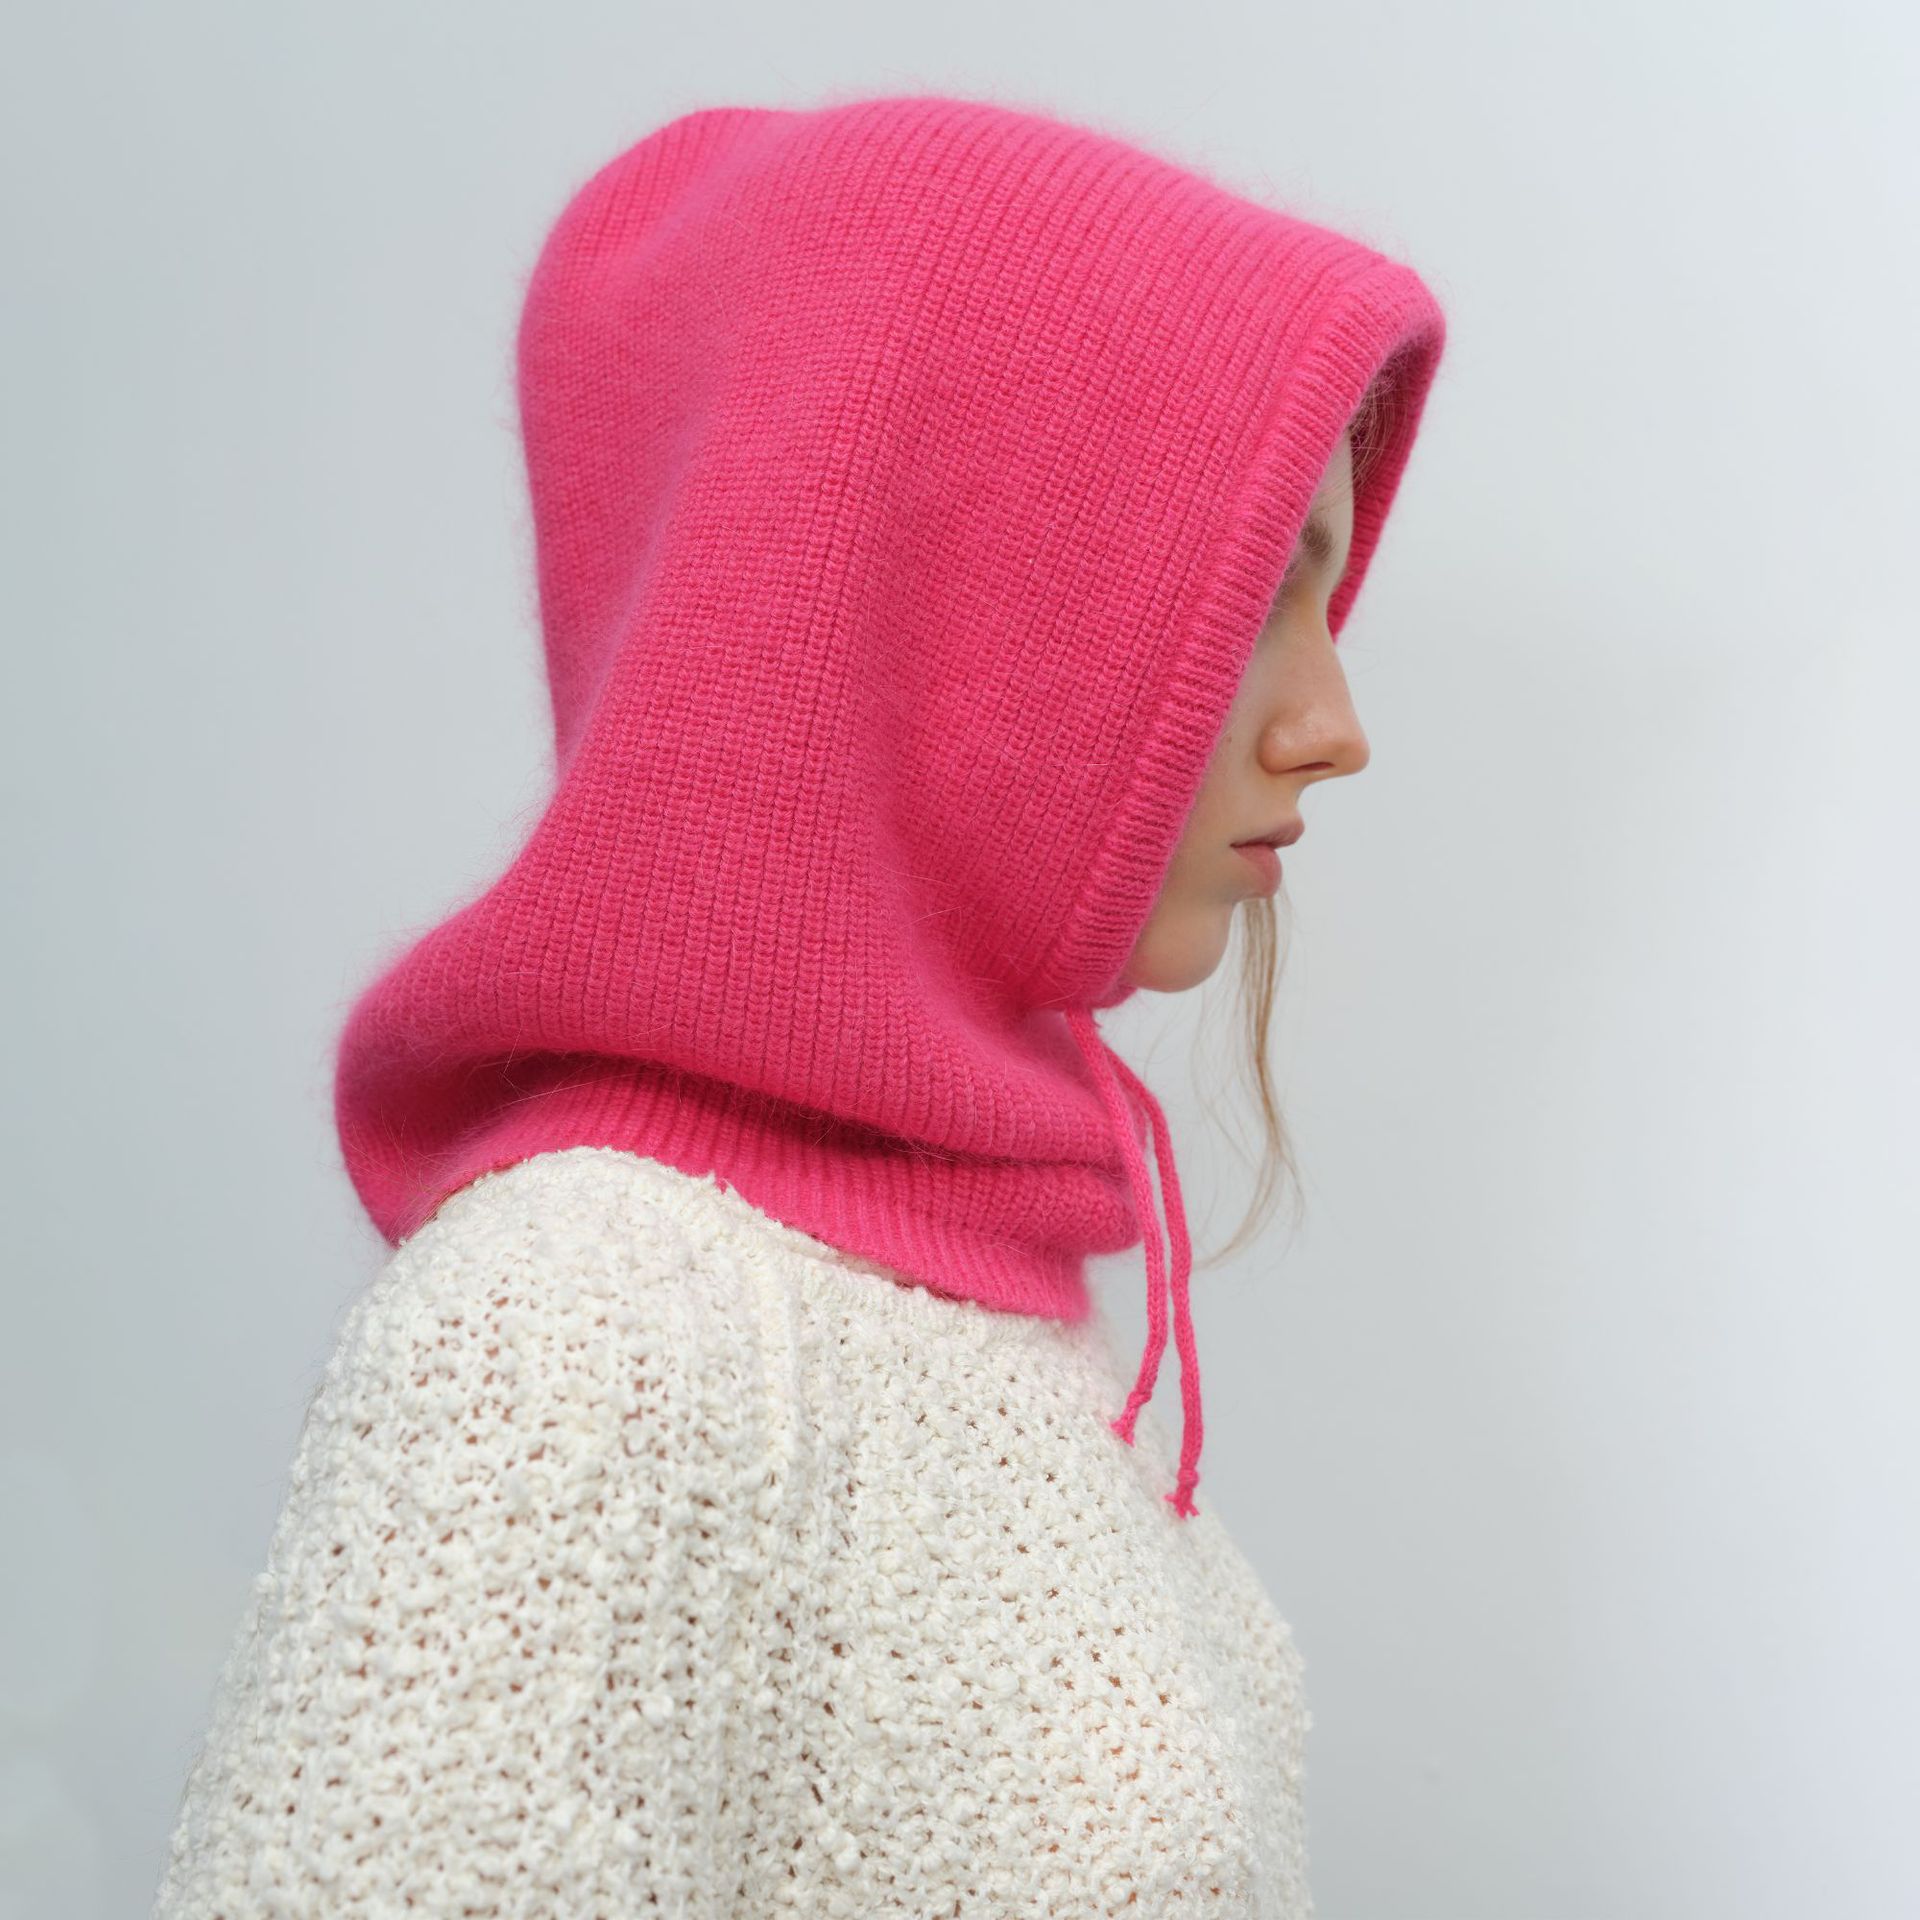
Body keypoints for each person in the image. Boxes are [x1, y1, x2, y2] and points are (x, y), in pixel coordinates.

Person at [150, 89, 1447, 1918]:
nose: (1334, 724)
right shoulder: (582, 1326)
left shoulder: (974, 1284)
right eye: (1251, 598)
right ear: (959, 599)